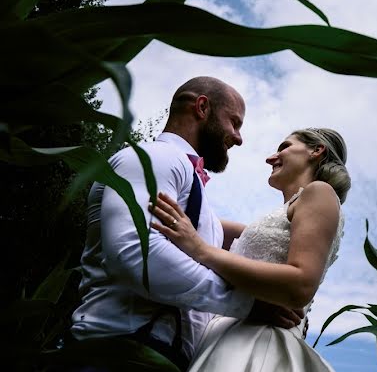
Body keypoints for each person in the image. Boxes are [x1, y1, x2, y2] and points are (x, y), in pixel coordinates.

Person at [65, 77, 304, 372]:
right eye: (234, 122)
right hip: (119, 351)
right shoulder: (157, 158)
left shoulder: (193, 196)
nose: (239, 137)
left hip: (158, 357)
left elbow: (230, 233)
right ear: (202, 107)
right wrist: (247, 305)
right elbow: (135, 253)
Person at [149, 127, 349, 372]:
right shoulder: (264, 224)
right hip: (225, 339)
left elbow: (301, 283)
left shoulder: (320, 192)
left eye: (284, 147)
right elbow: (199, 222)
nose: (270, 158)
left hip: (259, 343)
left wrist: (202, 250)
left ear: (316, 151)